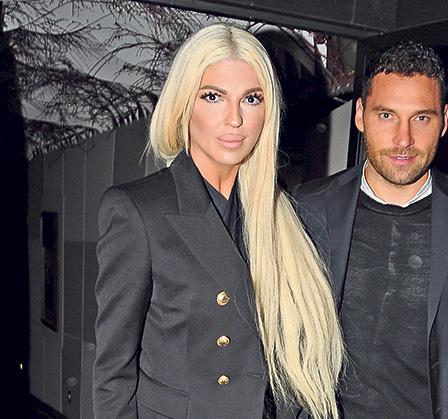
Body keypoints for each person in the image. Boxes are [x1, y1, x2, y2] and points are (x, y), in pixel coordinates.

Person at [93, 23, 344, 419]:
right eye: (213, 96)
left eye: (251, 99)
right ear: (184, 104)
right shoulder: (137, 211)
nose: (235, 119)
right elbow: (113, 375)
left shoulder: (284, 217)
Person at [294, 41, 448, 419]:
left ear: (444, 120)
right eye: (386, 115)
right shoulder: (308, 206)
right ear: (360, 115)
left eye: (421, 118)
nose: (403, 139)